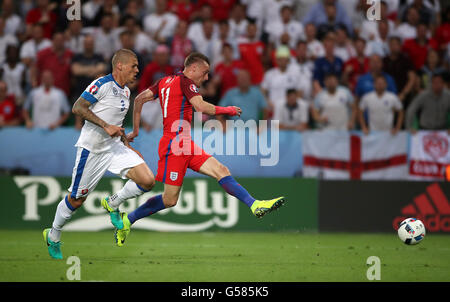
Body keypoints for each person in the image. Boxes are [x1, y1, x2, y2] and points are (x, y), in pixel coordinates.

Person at [118, 52, 286, 246]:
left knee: (221, 170)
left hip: (184, 144)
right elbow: (200, 107)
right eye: (205, 73)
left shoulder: (164, 82)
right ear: (193, 68)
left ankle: (255, 205)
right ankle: (127, 220)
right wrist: (228, 110)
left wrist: (136, 129)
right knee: (170, 200)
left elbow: (138, 99)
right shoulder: (185, 81)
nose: (206, 78)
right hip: (175, 146)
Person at [42, 49, 156, 259]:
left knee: (148, 180)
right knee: (76, 200)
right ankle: (54, 235)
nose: (137, 70)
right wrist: (105, 126)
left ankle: (112, 203)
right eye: (134, 65)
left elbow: (117, 126)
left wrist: (126, 144)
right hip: (92, 149)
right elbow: (78, 107)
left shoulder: (126, 92)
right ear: (119, 65)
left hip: (114, 147)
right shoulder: (101, 84)